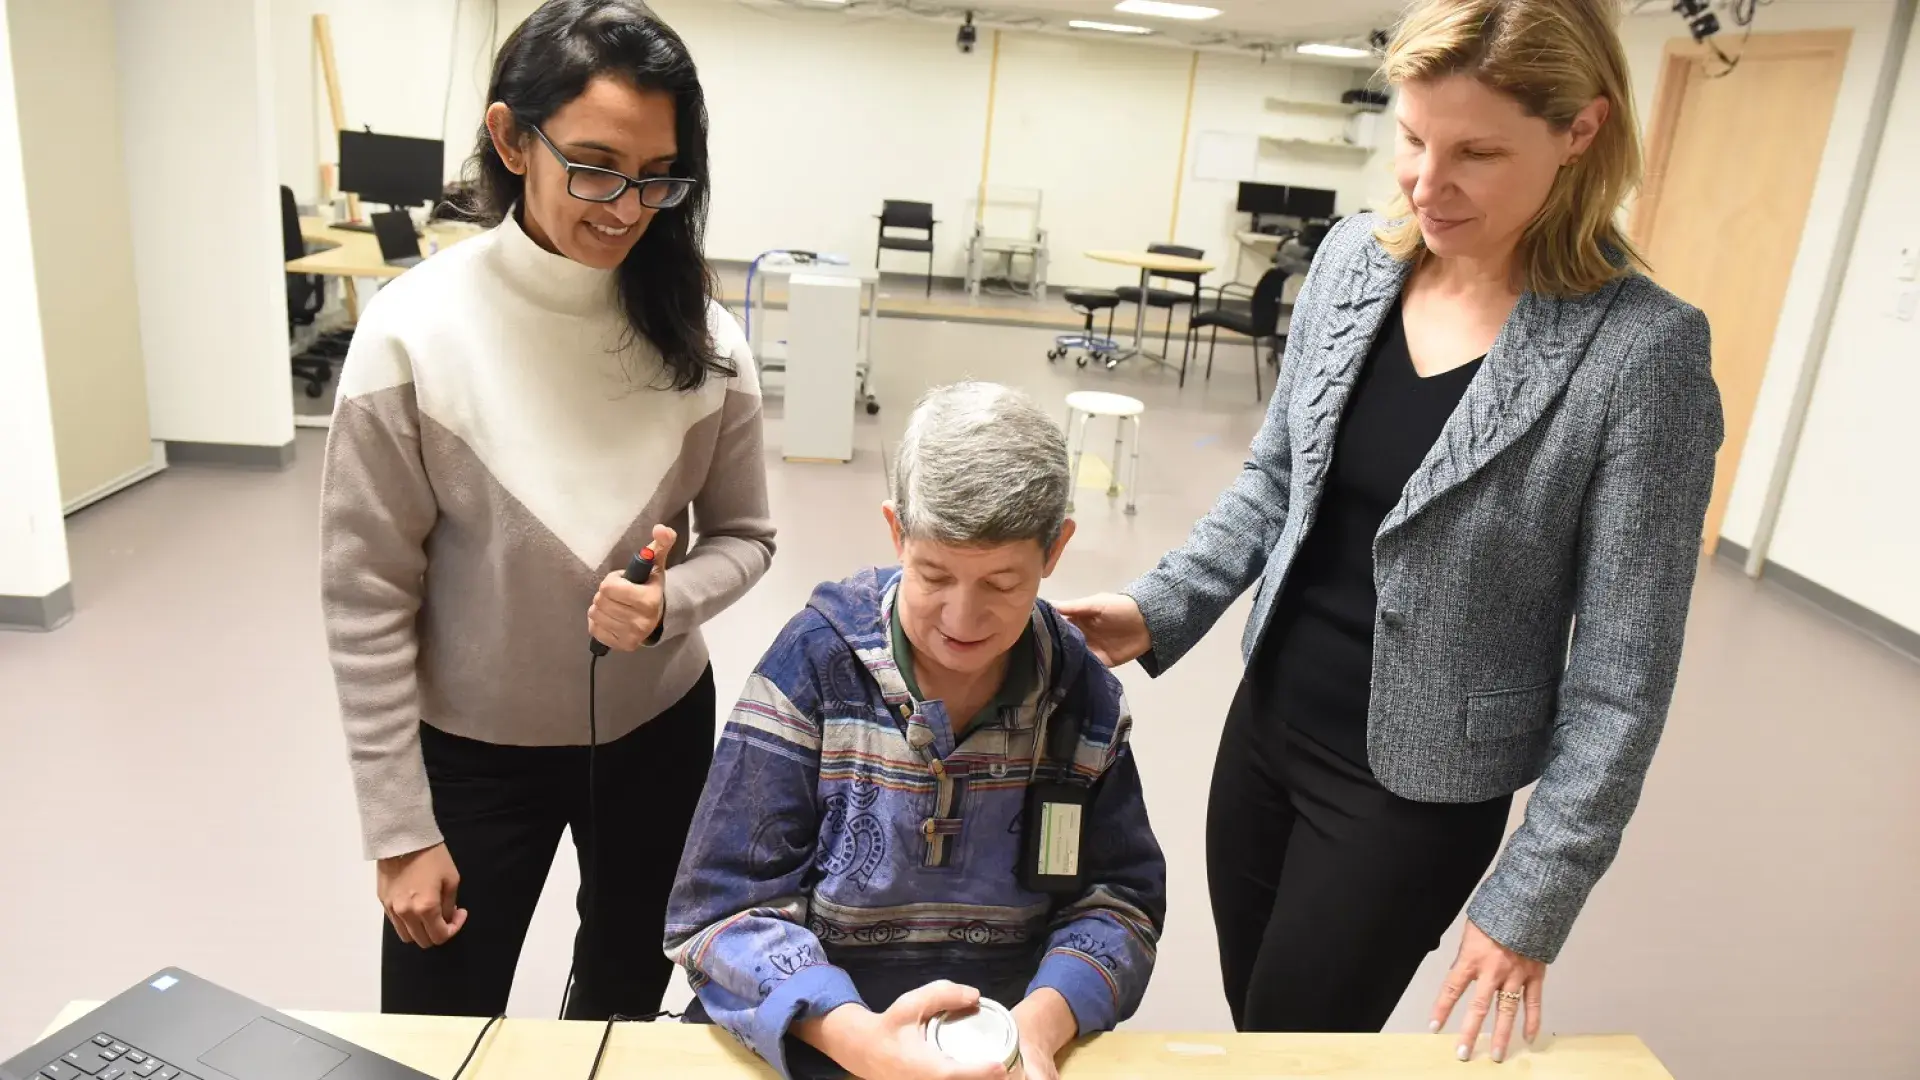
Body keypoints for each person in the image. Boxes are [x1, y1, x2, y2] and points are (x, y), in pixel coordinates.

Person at [1060, 0, 1724, 1064]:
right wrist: (1153, 609)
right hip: (1268, 726)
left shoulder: (1641, 352)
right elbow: (1275, 484)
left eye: (1477, 152)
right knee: (1266, 1021)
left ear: (1581, 133)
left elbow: (1622, 674)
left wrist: (1534, 893)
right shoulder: (1353, 264)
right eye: (1413, 138)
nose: (1425, 182)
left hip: (1412, 792)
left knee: (1295, 1040)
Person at [320, 0, 773, 1021]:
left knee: (619, 1002)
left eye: (660, 177)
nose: (627, 207)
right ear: (512, 138)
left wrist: (671, 604)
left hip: (658, 735)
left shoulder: (702, 340)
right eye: (597, 166)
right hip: (472, 760)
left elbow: (747, 537)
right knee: (438, 1019)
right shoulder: (413, 335)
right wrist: (398, 830)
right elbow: (364, 599)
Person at [665, 383, 1167, 1080]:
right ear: (896, 531)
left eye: (1001, 584)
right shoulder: (814, 668)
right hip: (821, 1039)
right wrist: (858, 1040)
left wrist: (1041, 1024)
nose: (963, 619)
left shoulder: (1078, 696)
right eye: (934, 575)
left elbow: (1121, 903)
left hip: (1002, 1050)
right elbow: (720, 910)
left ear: (1056, 549)